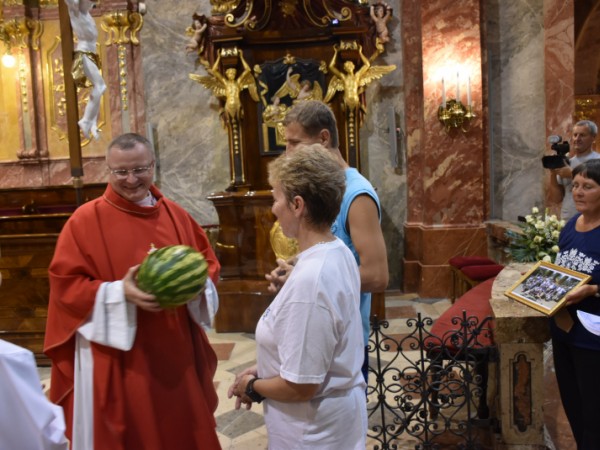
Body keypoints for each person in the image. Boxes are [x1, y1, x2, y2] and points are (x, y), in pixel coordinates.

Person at [43, 133, 222, 450]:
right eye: (120, 171)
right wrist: (117, 293)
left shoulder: (176, 215)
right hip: (119, 360)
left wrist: (191, 285)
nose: (130, 179)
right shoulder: (84, 221)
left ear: (153, 165)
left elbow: (207, 263)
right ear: (108, 170)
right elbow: (65, 286)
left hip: (174, 350)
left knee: (181, 430)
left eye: (140, 169)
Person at [228, 144, 367, 449]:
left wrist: (251, 385)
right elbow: (313, 351)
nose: (273, 207)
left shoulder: (311, 282)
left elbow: (300, 386)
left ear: (297, 205)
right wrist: (267, 368)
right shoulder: (337, 250)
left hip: (313, 432)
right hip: (330, 420)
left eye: (277, 197)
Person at [266, 100, 389, 381]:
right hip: (313, 330)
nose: (288, 152)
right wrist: (291, 270)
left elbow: (378, 276)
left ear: (324, 138)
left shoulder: (357, 194)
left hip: (343, 339)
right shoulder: (316, 188)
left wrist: (304, 279)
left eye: (295, 143)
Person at [552, 158, 600, 449]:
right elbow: (563, 271)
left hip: (593, 336)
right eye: (576, 185)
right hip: (563, 329)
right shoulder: (572, 224)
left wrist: (593, 289)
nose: (578, 192)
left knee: (594, 409)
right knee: (572, 402)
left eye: (589, 187)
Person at [65, 0, 107, 140]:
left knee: (98, 88)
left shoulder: (87, 14)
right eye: (88, 2)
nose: (91, 4)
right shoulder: (75, 12)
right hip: (83, 53)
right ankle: (85, 120)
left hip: (91, 53)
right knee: (100, 86)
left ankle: (92, 123)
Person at [546, 120, 600, 220]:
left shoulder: (598, 161)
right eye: (575, 135)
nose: (577, 139)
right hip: (567, 219)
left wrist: (572, 174)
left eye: (582, 135)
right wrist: (553, 173)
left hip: (593, 220)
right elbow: (556, 199)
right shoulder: (566, 163)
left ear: (593, 137)